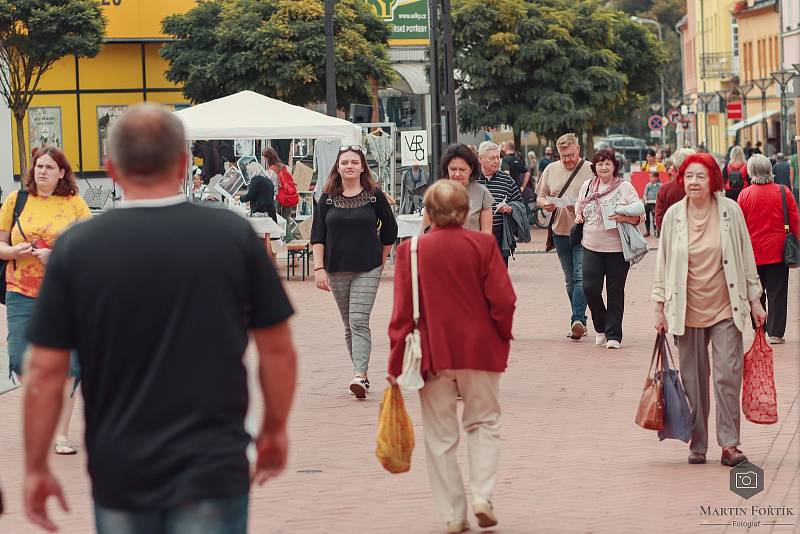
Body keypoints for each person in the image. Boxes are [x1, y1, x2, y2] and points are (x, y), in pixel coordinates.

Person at [22, 104, 298, 533]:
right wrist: (274, 429)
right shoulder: (231, 236)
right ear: (184, 162)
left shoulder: (78, 248)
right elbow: (277, 349)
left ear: (111, 169)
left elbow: (44, 370)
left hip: (121, 466)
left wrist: (37, 466)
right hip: (213, 462)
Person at [387, 180, 516, 534]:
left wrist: (395, 363)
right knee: (485, 422)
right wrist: (500, 336)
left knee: (440, 436)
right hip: (480, 349)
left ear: (427, 212)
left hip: (433, 351)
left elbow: (401, 313)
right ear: (465, 212)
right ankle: (482, 495)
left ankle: (454, 513)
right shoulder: (484, 245)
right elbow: (504, 301)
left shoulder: (410, 251)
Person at [653, 152, 766, 467]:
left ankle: (729, 444)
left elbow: (745, 256)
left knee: (727, 374)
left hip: (725, 307)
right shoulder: (674, 216)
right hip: (685, 309)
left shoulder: (730, 211)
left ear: (713, 180)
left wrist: (754, 299)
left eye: (700, 176)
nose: (693, 182)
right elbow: (662, 263)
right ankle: (698, 443)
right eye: (689, 176)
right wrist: (659, 307)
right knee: (693, 379)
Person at [0, 146, 91, 456]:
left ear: (62, 173)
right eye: (39, 166)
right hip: (20, 293)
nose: (42, 172)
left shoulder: (75, 205)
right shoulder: (16, 201)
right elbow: (1, 244)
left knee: (71, 366)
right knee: (18, 359)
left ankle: (61, 436)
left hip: (64, 296)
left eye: (50, 167)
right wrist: (12, 252)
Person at [311, 145, 398, 398]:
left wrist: (380, 262)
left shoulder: (374, 196)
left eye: (354, 162)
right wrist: (319, 268)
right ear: (337, 167)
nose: (349, 166)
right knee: (349, 324)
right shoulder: (326, 198)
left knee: (359, 320)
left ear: (362, 167)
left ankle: (359, 375)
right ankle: (361, 373)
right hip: (336, 269)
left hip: (367, 267)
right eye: (344, 162)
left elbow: (390, 231)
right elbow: (318, 235)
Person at [574, 149, 642, 349]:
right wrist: (579, 216)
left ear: (614, 166)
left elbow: (639, 215)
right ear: (594, 167)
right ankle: (600, 327)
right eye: (600, 164)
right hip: (591, 246)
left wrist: (623, 217)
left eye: (608, 163)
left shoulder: (624, 187)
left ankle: (614, 335)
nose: (604, 167)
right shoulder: (587, 186)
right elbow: (580, 206)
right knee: (590, 288)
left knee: (615, 291)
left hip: (617, 249)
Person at [536, 133, 594, 340]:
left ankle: (576, 319)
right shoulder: (551, 169)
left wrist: (578, 206)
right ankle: (581, 321)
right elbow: (540, 195)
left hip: (584, 230)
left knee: (580, 277)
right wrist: (545, 204)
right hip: (560, 231)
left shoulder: (590, 169)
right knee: (570, 279)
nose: (568, 160)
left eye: (571, 155)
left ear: (578, 149)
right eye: (563, 156)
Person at [737, 154, 800, 344]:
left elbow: (739, 226)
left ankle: (759, 328)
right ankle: (775, 333)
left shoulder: (744, 195)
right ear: (769, 169)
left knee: (756, 293)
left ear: (750, 172)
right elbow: (795, 219)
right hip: (778, 251)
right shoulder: (783, 191)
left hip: (752, 253)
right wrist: (796, 240)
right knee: (777, 293)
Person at [424, 143, 492, 234]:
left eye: (462, 170)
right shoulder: (435, 193)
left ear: (471, 169)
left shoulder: (482, 193)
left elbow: (486, 234)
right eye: (453, 169)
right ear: (447, 168)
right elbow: (424, 232)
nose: (457, 174)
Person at [476, 141, 523, 266]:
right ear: (480, 158)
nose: (496, 161)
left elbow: (519, 203)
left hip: (501, 238)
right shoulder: (472, 180)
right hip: (475, 237)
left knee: (499, 279)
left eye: (498, 157)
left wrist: (510, 208)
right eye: (492, 158)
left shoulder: (507, 180)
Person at [655, 147, 695, 230]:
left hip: (673, 238)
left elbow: (660, 222)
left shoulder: (664, 189)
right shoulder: (702, 187)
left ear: (675, 166)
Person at [642, 169, 661, 238]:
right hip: (648, 203)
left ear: (657, 178)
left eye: (652, 177)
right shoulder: (648, 185)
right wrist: (645, 199)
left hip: (655, 203)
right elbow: (644, 194)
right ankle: (647, 231)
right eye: (650, 177)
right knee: (646, 217)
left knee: (654, 218)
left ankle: (657, 231)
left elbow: (661, 194)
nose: (651, 179)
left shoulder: (660, 185)